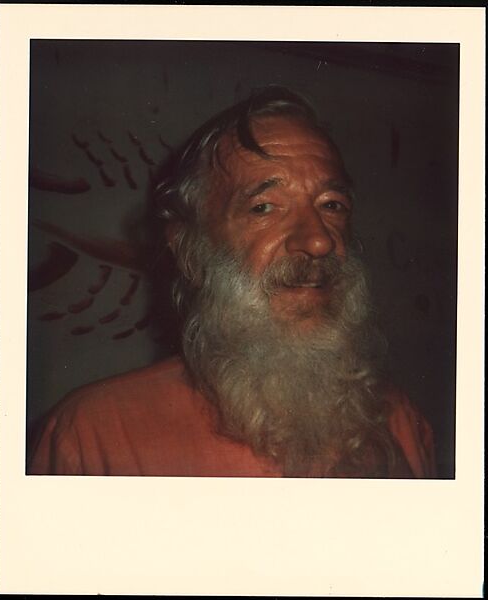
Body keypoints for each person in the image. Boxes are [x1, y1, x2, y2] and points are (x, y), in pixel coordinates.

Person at [27, 86, 436, 478]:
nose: (318, 241)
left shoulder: (403, 425)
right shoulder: (93, 438)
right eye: (264, 207)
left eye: (332, 205)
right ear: (189, 248)